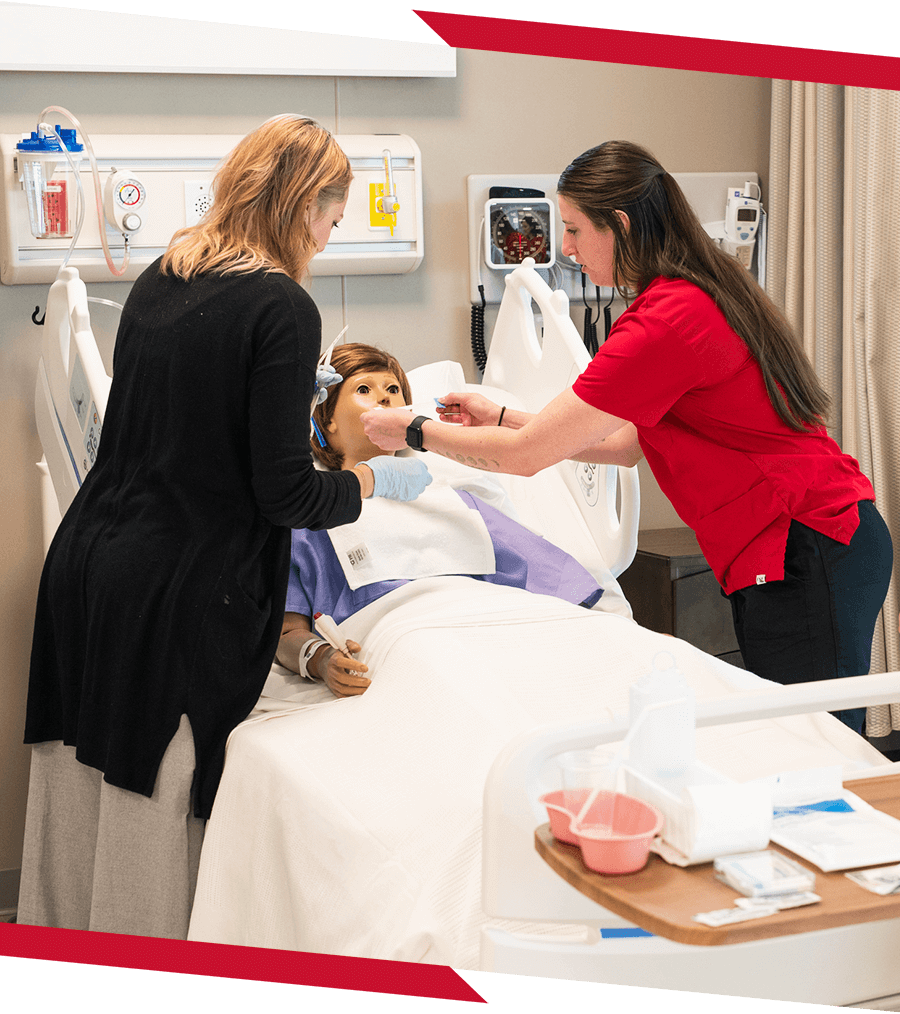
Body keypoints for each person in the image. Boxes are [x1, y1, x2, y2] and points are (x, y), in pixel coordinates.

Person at [19, 115, 430, 938]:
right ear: (304, 202)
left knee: (77, 809)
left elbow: (187, 413)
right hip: (181, 591)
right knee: (149, 819)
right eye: (330, 219)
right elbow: (283, 497)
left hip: (91, 566)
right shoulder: (282, 304)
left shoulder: (163, 274)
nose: (327, 238)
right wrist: (367, 482)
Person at [362, 140, 893, 735]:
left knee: (816, 747)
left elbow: (529, 461)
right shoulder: (695, 291)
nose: (564, 249)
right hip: (812, 539)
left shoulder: (667, 321)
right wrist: (503, 417)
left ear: (618, 225)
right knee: (803, 738)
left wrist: (412, 429)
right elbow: (628, 442)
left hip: (805, 541)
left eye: (573, 229)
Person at [276, 343, 605, 697]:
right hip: (409, 641)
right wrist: (321, 659)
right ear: (326, 419)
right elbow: (285, 632)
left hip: (499, 629)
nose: (385, 400)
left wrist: (611, 634)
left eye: (392, 390)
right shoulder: (309, 518)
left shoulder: (457, 501)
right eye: (363, 390)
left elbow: (554, 585)